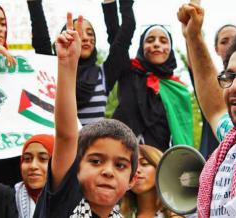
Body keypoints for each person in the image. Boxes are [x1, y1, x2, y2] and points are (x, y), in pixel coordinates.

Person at [34, 12, 138, 218]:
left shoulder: (102, 74)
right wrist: (66, 65)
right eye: (96, 161)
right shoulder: (65, 199)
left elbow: (121, 40)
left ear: (132, 180)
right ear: (77, 168)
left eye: (120, 165)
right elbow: (66, 135)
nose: (108, 172)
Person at [178, 3, 236, 217]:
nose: (233, 87)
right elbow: (214, 107)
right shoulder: (234, 140)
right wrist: (193, 37)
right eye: (229, 76)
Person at [26, 0, 135, 126]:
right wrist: (34, 4)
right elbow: (42, 41)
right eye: (78, 33)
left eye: (90, 34)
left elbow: (122, 37)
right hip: (61, 145)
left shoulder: (104, 74)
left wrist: (110, 3)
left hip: (94, 146)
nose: (86, 38)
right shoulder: (54, 73)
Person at [0, 66, 54, 218]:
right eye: (27, 159)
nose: (33, 166)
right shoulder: (5, 199)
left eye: (43, 159)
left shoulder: (72, 204)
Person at [111, 23, 193, 152]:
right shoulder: (128, 72)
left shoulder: (177, 89)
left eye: (163, 41)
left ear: (170, 49)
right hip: (119, 155)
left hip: (156, 163)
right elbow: (116, 38)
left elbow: (182, 134)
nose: (156, 44)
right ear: (141, 46)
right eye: (150, 40)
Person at [187, 23, 236, 159]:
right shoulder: (207, 82)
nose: (235, 89)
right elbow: (197, 66)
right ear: (216, 49)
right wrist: (191, 34)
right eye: (224, 41)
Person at [120, 144, 184, 218]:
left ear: (160, 168)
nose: (136, 170)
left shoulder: (184, 211)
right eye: (132, 166)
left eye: (144, 164)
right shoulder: (116, 213)